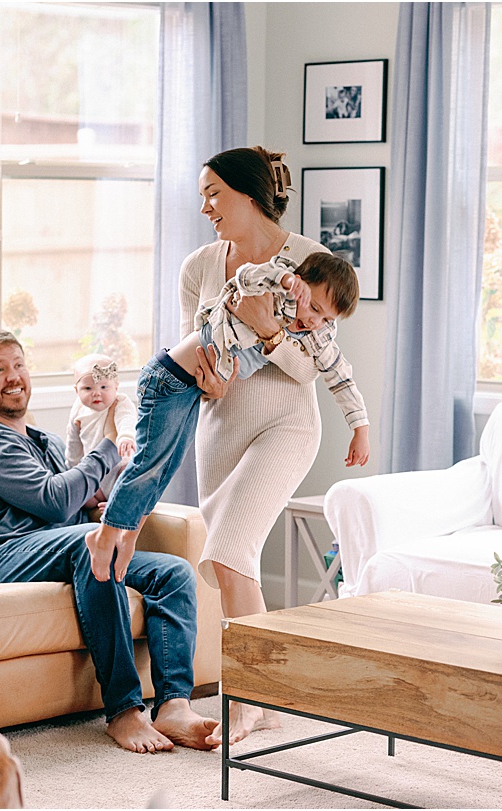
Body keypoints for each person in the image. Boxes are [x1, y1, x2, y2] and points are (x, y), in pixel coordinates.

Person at [0, 328, 220, 754]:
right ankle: (125, 711)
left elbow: (73, 502)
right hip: (4, 556)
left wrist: (104, 507)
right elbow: (55, 502)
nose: (13, 376)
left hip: (60, 542)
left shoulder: (45, 441)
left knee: (174, 572)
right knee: (90, 544)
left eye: (18, 365)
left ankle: (173, 706)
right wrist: (111, 443)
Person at [189, 146, 371, 745]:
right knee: (227, 562)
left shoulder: (310, 262)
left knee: (230, 546)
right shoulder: (199, 266)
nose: (206, 205)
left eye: (214, 192)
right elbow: (193, 345)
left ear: (246, 194)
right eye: (203, 195)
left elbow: (309, 367)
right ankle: (262, 696)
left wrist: (267, 330)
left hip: (286, 426)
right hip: (220, 429)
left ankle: (245, 697)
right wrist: (205, 373)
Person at [85, 250, 368, 584]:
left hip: (190, 390)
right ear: (300, 283)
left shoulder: (316, 333)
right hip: (169, 378)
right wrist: (286, 280)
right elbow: (247, 276)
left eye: (327, 318)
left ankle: (127, 535)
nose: (314, 321)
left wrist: (359, 426)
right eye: (314, 308)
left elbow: (339, 376)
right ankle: (104, 535)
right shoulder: (275, 286)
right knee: (149, 464)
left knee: (164, 469)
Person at [65, 353, 137, 507]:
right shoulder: (78, 410)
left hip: (117, 467)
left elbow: (127, 418)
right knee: (82, 498)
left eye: (104, 387)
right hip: (94, 474)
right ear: (76, 391)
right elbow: (73, 441)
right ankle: (97, 505)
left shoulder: (119, 402)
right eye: (88, 388)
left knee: (130, 475)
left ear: (116, 387)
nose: (96, 392)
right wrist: (72, 467)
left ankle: (116, 504)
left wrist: (126, 436)